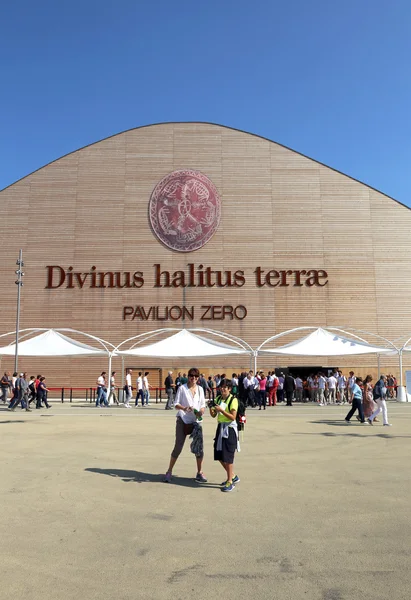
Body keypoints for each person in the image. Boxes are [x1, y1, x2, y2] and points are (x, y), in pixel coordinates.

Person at [164, 367, 206, 483]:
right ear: (188, 377)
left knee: (199, 449)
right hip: (183, 419)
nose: (194, 378)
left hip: (196, 421)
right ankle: (169, 471)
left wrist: (201, 411)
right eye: (191, 376)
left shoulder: (200, 389)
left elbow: (203, 404)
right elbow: (176, 403)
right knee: (178, 447)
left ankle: (199, 472)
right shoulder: (182, 388)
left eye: (196, 377)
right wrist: (184, 408)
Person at [209, 378, 240, 492]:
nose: (222, 389)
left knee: (228, 455)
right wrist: (211, 408)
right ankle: (232, 475)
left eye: (224, 387)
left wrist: (221, 410)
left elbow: (233, 417)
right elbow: (213, 414)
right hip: (220, 427)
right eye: (221, 387)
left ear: (229, 389)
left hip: (230, 428)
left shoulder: (233, 400)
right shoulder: (218, 398)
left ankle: (230, 481)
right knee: (218, 454)